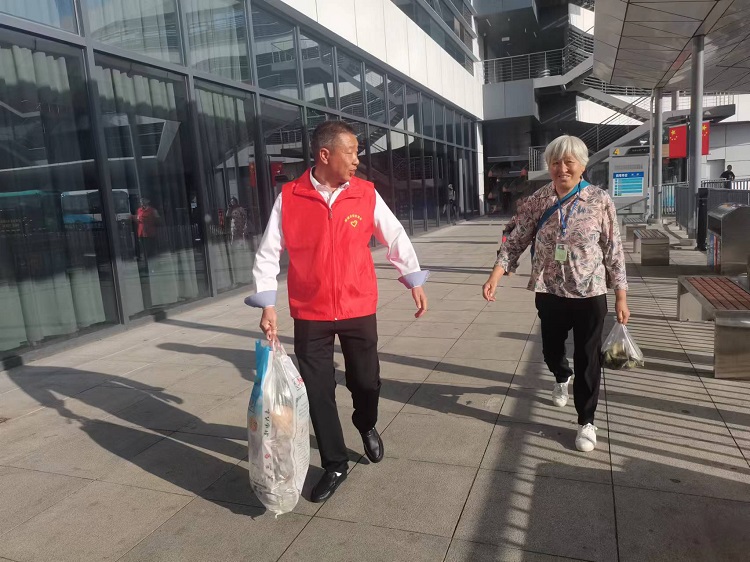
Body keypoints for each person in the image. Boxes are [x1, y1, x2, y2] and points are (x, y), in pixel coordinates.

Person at [245, 121, 429, 502]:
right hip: (310, 311)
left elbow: (394, 234)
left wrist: (413, 278)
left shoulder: (365, 193)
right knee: (317, 390)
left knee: (366, 381)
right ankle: (335, 463)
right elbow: (268, 252)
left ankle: (366, 422)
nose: (357, 160)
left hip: (357, 305)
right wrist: (267, 304)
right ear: (325, 155)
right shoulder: (290, 197)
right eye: (351, 152)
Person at [482, 135, 630, 452]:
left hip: (590, 292)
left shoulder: (600, 200)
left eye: (568, 162)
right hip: (549, 289)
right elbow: (516, 237)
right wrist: (496, 274)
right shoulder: (539, 200)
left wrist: (620, 293)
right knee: (551, 349)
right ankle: (562, 376)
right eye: (555, 162)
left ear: (582, 165)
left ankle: (586, 422)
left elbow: (613, 248)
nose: (562, 168)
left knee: (588, 357)